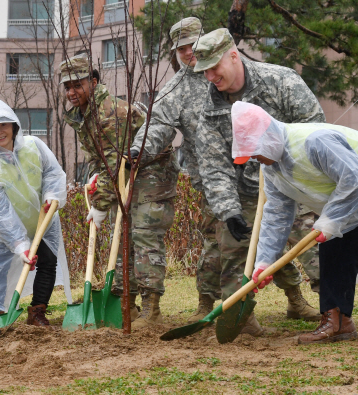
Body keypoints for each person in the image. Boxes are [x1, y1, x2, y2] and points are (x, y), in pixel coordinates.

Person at [192, 28, 323, 333]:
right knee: (234, 249)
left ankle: (334, 312)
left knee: (316, 247)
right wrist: (229, 211)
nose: (210, 76)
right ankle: (243, 320)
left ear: (234, 56)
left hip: (295, 182)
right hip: (247, 191)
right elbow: (213, 166)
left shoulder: (281, 81)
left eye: (214, 67)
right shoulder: (210, 109)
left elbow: (314, 130)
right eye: (204, 71)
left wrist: (292, 170)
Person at [62, 53, 179, 327]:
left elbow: (115, 164)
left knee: (144, 234)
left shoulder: (109, 112)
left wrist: (100, 205)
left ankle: (152, 310)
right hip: (128, 173)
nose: (71, 92)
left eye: (77, 85)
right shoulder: (84, 114)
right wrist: (94, 176)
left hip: (152, 171)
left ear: (92, 82)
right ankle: (127, 303)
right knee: (124, 235)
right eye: (67, 87)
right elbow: (101, 157)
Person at [231, 101, 358, 344]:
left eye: (256, 150)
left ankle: (338, 321)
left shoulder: (314, 142)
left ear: (270, 138)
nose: (254, 157)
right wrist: (265, 261)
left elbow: (353, 177)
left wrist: (330, 219)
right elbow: (277, 213)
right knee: (333, 252)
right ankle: (338, 322)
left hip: (353, 193)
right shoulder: (272, 168)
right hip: (350, 209)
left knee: (333, 241)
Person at [130, 17, 224, 324]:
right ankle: (206, 302)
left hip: (250, 168)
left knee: (270, 231)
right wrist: (138, 150)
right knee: (214, 237)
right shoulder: (176, 89)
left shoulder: (226, 71)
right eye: (181, 48)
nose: (188, 52)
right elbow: (158, 126)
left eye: (192, 44)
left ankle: (295, 296)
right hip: (210, 177)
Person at [0, 95, 72, 328]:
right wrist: (20, 245)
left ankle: (38, 310)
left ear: (14, 125)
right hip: (6, 224)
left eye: (4, 125)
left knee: (48, 261)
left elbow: (52, 173)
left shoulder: (34, 146)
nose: (0, 132)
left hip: (42, 216)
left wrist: (51, 196)